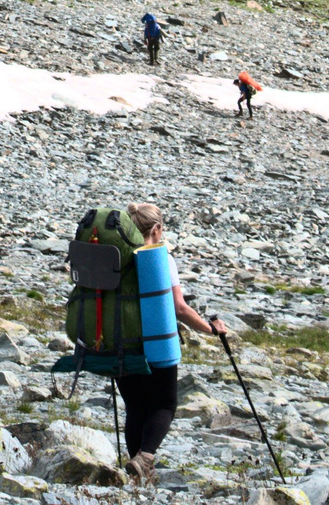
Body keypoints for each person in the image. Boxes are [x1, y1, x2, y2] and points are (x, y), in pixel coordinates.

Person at [111, 203, 228, 489]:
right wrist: (210, 329)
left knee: (136, 407)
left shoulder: (116, 259)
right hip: (156, 345)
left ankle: (136, 473)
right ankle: (145, 458)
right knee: (164, 404)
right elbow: (179, 308)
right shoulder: (161, 260)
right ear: (156, 229)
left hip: (119, 343)